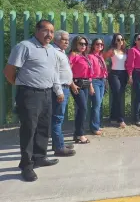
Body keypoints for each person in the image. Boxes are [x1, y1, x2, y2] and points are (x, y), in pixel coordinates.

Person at [3, 20, 63, 182]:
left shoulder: (51, 50)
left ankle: (39, 157)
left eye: (52, 31)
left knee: (44, 128)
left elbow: (53, 72)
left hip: (47, 93)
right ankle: (26, 165)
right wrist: (22, 86)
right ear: (37, 30)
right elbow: (9, 71)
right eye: (46, 31)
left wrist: (57, 89)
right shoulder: (24, 46)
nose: (49, 34)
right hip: (29, 95)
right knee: (29, 130)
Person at [51, 30, 76, 156]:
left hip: (65, 86)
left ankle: (58, 143)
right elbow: (54, 74)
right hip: (59, 88)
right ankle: (59, 148)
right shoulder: (54, 52)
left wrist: (71, 84)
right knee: (57, 118)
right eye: (64, 39)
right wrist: (59, 92)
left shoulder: (61, 51)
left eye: (68, 39)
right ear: (56, 40)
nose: (67, 42)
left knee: (58, 117)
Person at [69, 35, 95, 144]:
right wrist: (72, 85)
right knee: (83, 108)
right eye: (81, 43)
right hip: (76, 83)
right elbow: (67, 70)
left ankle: (77, 134)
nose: (83, 46)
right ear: (76, 44)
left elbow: (89, 73)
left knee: (82, 109)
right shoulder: (73, 55)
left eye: (85, 44)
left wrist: (91, 86)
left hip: (85, 83)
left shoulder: (85, 56)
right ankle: (80, 134)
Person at [104, 33, 128, 128]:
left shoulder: (124, 51)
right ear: (114, 41)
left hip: (123, 74)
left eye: (122, 39)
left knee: (117, 96)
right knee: (118, 95)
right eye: (118, 39)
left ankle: (113, 117)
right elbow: (103, 58)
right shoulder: (112, 50)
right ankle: (120, 119)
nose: (120, 41)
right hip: (114, 75)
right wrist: (107, 69)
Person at [126, 33, 140, 127]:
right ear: (135, 41)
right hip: (137, 74)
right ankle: (136, 118)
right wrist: (130, 76)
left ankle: (139, 115)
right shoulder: (132, 50)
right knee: (139, 96)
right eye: (139, 39)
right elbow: (130, 64)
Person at [89, 38, 107, 135]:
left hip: (102, 81)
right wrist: (90, 85)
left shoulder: (100, 56)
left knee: (99, 104)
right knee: (96, 105)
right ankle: (94, 127)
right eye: (97, 44)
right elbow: (89, 72)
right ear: (93, 45)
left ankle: (97, 124)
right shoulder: (90, 56)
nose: (99, 46)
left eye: (101, 44)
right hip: (95, 81)